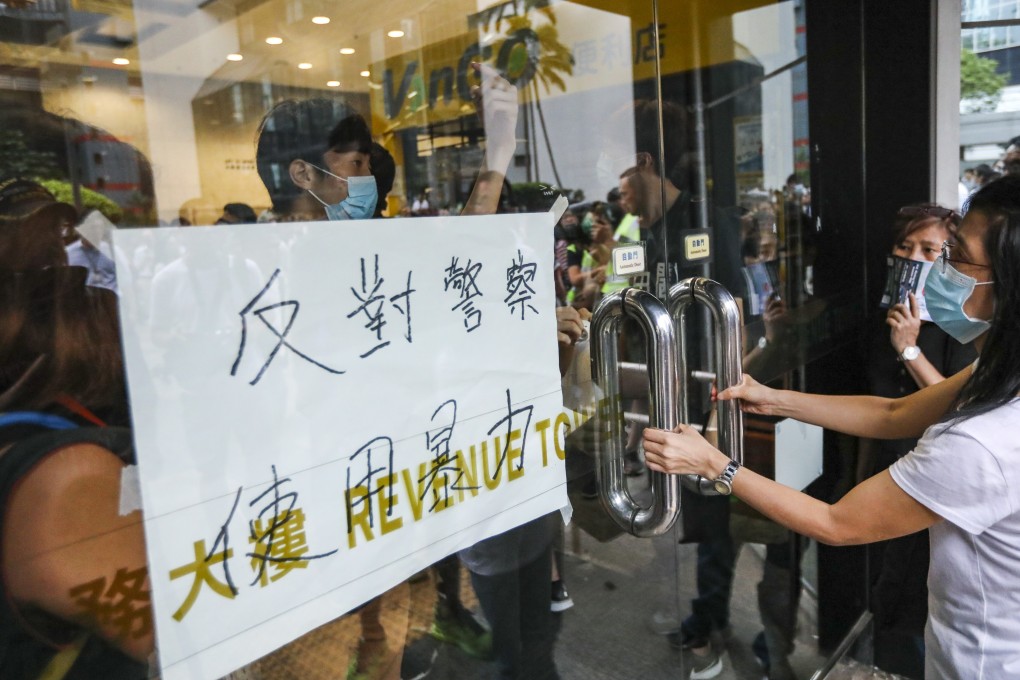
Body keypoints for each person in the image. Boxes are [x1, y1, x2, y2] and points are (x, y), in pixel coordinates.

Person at [644, 174, 1020, 679]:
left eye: (954, 254)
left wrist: (714, 464)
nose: (939, 269)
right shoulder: (1001, 373)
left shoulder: (984, 442)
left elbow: (836, 525)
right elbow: (893, 414)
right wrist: (775, 397)